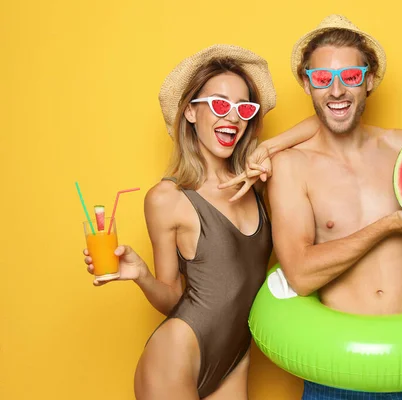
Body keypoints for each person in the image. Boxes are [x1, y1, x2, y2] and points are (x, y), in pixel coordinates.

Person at [264, 15, 402, 400]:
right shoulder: (291, 167)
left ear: (369, 80)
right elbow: (301, 275)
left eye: (350, 77)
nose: (336, 91)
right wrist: (387, 226)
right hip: (340, 372)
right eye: (322, 79)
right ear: (307, 84)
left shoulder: (401, 145)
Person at [82, 44, 316, 400]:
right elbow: (172, 297)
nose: (233, 118)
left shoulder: (255, 181)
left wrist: (268, 148)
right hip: (177, 354)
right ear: (191, 112)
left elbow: (323, 125)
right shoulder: (167, 198)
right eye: (220, 105)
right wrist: (142, 275)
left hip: (235, 355)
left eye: (244, 108)